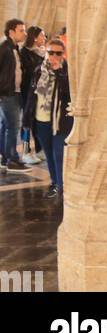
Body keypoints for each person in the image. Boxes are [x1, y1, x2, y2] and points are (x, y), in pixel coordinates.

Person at [25, 39, 72, 199]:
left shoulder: (67, 71)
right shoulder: (39, 70)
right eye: (50, 52)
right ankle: (54, 183)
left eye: (58, 53)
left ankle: (62, 187)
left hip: (59, 121)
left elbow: (69, 94)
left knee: (59, 154)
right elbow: (32, 95)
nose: (53, 56)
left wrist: (59, 73)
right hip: (41, 120)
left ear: (63, 54)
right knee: (49, 154)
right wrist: (26, 119)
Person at [0, 18, 30, 172]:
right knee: (13, 127)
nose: (24, 33)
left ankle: (5, 158)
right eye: (21, 30)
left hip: (14, 92)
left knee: (6, 126)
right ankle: (12, 160)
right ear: (11, 32)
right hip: (8, 93)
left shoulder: (14, 47)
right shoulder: (4, 48)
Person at [19, 27, 46, 164]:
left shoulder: (43, 53)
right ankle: (25, 151)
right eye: (42, 36)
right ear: (35, 37)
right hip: (27, 92)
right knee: (27, 121)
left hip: (39, 93)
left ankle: (40, 149)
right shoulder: (25, 52)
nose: (45, 38)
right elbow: (27, 73)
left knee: (37, 121)